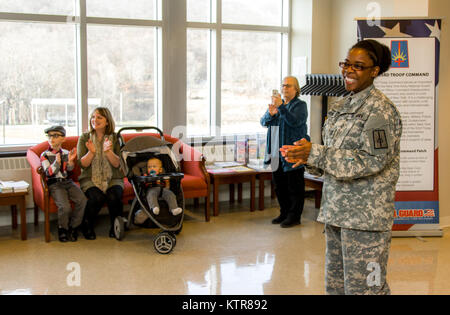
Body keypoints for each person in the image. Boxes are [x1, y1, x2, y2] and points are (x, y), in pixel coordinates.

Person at [280, 39, 402, 294]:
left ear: (375, 71)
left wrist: (317, 153)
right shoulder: (342, 106)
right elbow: (334, 157)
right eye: (346, 64)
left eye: (358, 66)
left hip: (365, 221)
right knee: (336, 288)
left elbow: (371, 160)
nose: (348, 70)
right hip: (337, 213)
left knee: (368, 289)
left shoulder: (379, 111)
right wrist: (307, 158)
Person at [260, 76, 310, 228]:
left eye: (288, 86)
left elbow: (294, 121)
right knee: (279, 186)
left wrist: (281, 108)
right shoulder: (277, 105)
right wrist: (271, 113)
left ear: (296, 89)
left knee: (294, 186)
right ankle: (284, 212)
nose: (284, 88)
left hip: (292, 151)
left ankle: (294, 216)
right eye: (283, 85)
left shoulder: (300, 105)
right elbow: (263, 122)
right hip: (275, 151)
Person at [77, 107, 124, 239]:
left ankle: (116, 226)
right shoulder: (84, 138)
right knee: (97, 197)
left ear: (107, 121)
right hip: (89, 178)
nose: (94, 120)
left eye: (99, 117)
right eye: (93, 117)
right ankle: (86, 224)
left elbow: (117, 164)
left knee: (114, 196)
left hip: (113, 177)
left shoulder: (115, 138)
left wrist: (108, 151)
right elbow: (82, 164)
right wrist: (91, 152)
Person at [40, 126, 87, 242]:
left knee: (82, 200)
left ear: (63, 139)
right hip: (55, 184)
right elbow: (49, 173)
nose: (52, 139)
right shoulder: (44, 155)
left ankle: (74, 226)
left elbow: (69, 170)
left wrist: (71, 161)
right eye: (50, 136)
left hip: (67, 182)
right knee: (65, 207)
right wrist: (56, 162)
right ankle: (63, 229)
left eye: (56, 136)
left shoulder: (66, 153)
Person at [135, 157, 182, 224]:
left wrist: (167, 182)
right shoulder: (146, 176)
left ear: (160, 170)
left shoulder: (163, 176)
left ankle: (174, 208)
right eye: (149, 167)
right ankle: (154, 207)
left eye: (154, 166)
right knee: (151, 195)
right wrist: (146, 179)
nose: (151, 168)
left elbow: (167, 187)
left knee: (170, 194)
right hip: (151, 190)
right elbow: (144, 185)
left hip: (163, 190)